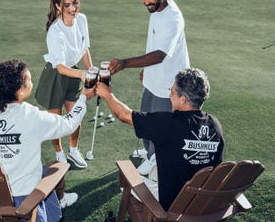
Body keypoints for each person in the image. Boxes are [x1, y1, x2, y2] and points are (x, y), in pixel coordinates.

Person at [0, 59, 95, 222]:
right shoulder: (31, 116)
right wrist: (83, 97)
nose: (32, 81)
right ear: (20, 90)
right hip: (23, 207)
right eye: (29, 79)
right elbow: (70, 124)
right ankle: (59, 200)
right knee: (57, 167)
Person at [96, 68, 224, 211]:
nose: (169, 95)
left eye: (172, 91)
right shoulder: (215, 124)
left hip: (172, 204)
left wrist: (107, 94)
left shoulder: (168, 123)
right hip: (202, 202)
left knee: (126, 179)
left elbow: (123, 114)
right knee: (157, 169)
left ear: (183, 99)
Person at [108, 0, 190, 176]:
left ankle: (156, 163)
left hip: (169, 86)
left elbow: (160, 54)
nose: (146, 2)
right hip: (154, 79)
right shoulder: (156, 9)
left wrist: (125, 63)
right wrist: (147, 70)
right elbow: (154, 45)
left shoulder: (173, 17)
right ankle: (150, 154)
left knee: (160, 129)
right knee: (146, 122)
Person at [35, 0, 93, 169]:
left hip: (75, 72)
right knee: (56, 120)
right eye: (66, 5)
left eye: (74, 3)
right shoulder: (55, 31)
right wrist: (82, 74)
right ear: (58, 6)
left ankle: (73, 151)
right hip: (56, 75)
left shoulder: (82, 19)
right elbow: (60, 67)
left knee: (75, 115)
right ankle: (59, 154)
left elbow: (84, 49)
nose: (72, 8)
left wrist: (91, 70)